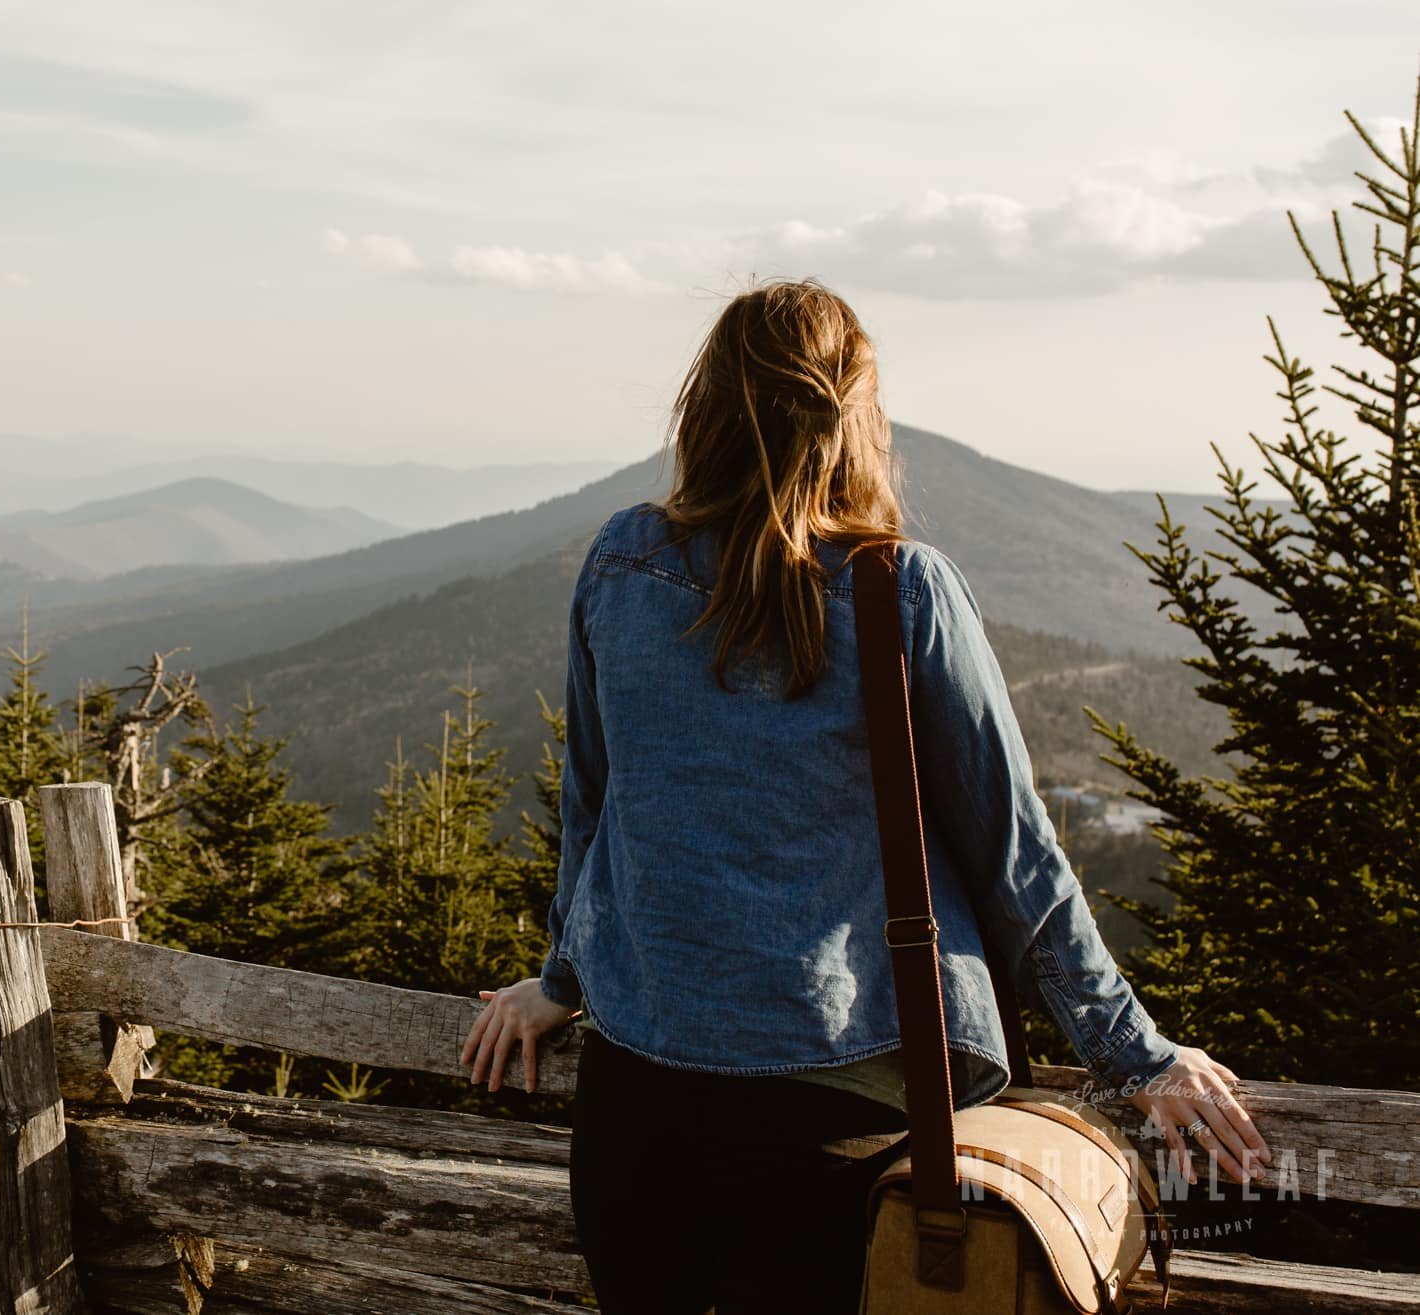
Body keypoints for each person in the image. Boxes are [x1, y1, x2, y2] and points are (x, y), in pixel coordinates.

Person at [458, 278, 1265, 1315]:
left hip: (634, 1110)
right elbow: (1015, 854)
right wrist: (1134, 1053)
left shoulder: (622, 561)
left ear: (702, 408)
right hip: (831, 1111)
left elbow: (593, 807)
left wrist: (564, 977)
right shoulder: (902, 589)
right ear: (854, 418)